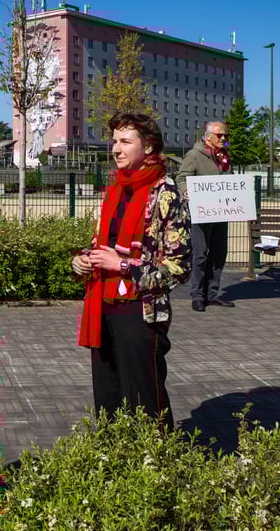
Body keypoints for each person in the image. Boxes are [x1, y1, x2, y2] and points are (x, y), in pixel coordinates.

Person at [72, 113, 191, 428]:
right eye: (114, 141)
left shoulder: (166, 195)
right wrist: (84, 260)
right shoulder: (114, 190)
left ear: (148, 146)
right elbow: (104, 244)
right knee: (107, 397)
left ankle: (155, 465)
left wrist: (123, 266)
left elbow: (180, 267)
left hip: (141, 309)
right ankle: (113, 464)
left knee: (144, 399)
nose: (116, 149)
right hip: (102, 304)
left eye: (125, 141)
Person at [175, 121, 235, 312]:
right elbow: (181, 177)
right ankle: (197, 295)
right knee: (200, 255)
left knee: (219, 254)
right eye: (220, 136)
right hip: (202, 213)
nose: (223, 139)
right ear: (208, 136)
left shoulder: (223, 157)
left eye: (225, 136)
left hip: (220, 212)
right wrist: (186, 193)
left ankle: (212, 294)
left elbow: (229, 180)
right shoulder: (194, 155)